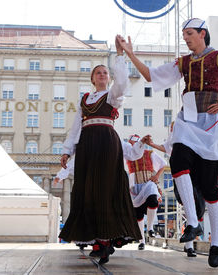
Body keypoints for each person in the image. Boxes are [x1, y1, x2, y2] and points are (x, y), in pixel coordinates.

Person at [117, 18, 218, 268]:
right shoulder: (182, 62)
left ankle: (216, 243)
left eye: (189, 33)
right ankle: (192, 222)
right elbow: (150, 75)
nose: (186, 38)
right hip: (187, 121)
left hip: (211, 124)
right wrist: (130, 53)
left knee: (210, 186)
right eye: (184, 34)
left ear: (203, 33)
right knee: (178, 158)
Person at [59, 35, 142, 265]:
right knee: (86, 190)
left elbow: (123, 83)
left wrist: (120, 56)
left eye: (105, 72)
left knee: (105, 189)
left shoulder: (112, 96)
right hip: (86, 144)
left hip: (106, 143)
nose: (103, 75)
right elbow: (76, 127)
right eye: (99, 73)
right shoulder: (84, 99)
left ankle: (104, 242)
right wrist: (67, 151)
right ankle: (96, 239)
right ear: (92, 78)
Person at [149, 122, 199, 257]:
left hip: (194, 175)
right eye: (172, 127)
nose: (173, 129)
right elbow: (165, 148)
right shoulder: (174, 138)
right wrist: (152, 144)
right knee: (188, 208)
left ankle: (190, 244)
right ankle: (189, 246)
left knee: (195, 208)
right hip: (181, 176)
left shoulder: (190, 137)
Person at [125, 134, 166, 251]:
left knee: (153, 200)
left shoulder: (149, 153)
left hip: (148, 184)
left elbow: (163, 164)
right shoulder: (127, 156)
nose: (132, 147)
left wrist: (157, 176)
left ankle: (150, 227)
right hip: (134, 188)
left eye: (133, 144)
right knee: (138, 215)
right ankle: (142, 240)